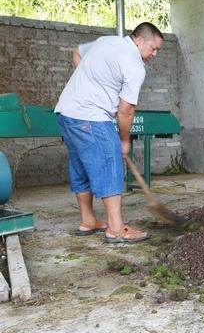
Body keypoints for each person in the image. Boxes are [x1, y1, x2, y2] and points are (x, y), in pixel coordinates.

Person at [55, 22, 163, 242]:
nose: (155, 53)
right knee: (110, 166)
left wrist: (91, 83)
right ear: (139, 40)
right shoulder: (134, 65)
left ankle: (88, 221)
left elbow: (77, 52)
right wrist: (124, 140)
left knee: (81, 168)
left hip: (66, 113)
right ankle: (116, 228)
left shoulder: (106, 41)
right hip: (91, 117)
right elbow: (126, 110)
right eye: (153, 48)